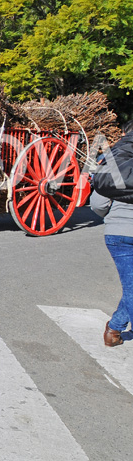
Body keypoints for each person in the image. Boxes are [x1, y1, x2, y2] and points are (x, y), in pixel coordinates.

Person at [90, 120, 133, 347]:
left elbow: (97, 202)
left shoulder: (118, 163)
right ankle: (114, 329)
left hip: (118, 234)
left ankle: (114, 329)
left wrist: (111, 217)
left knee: (131, 287)